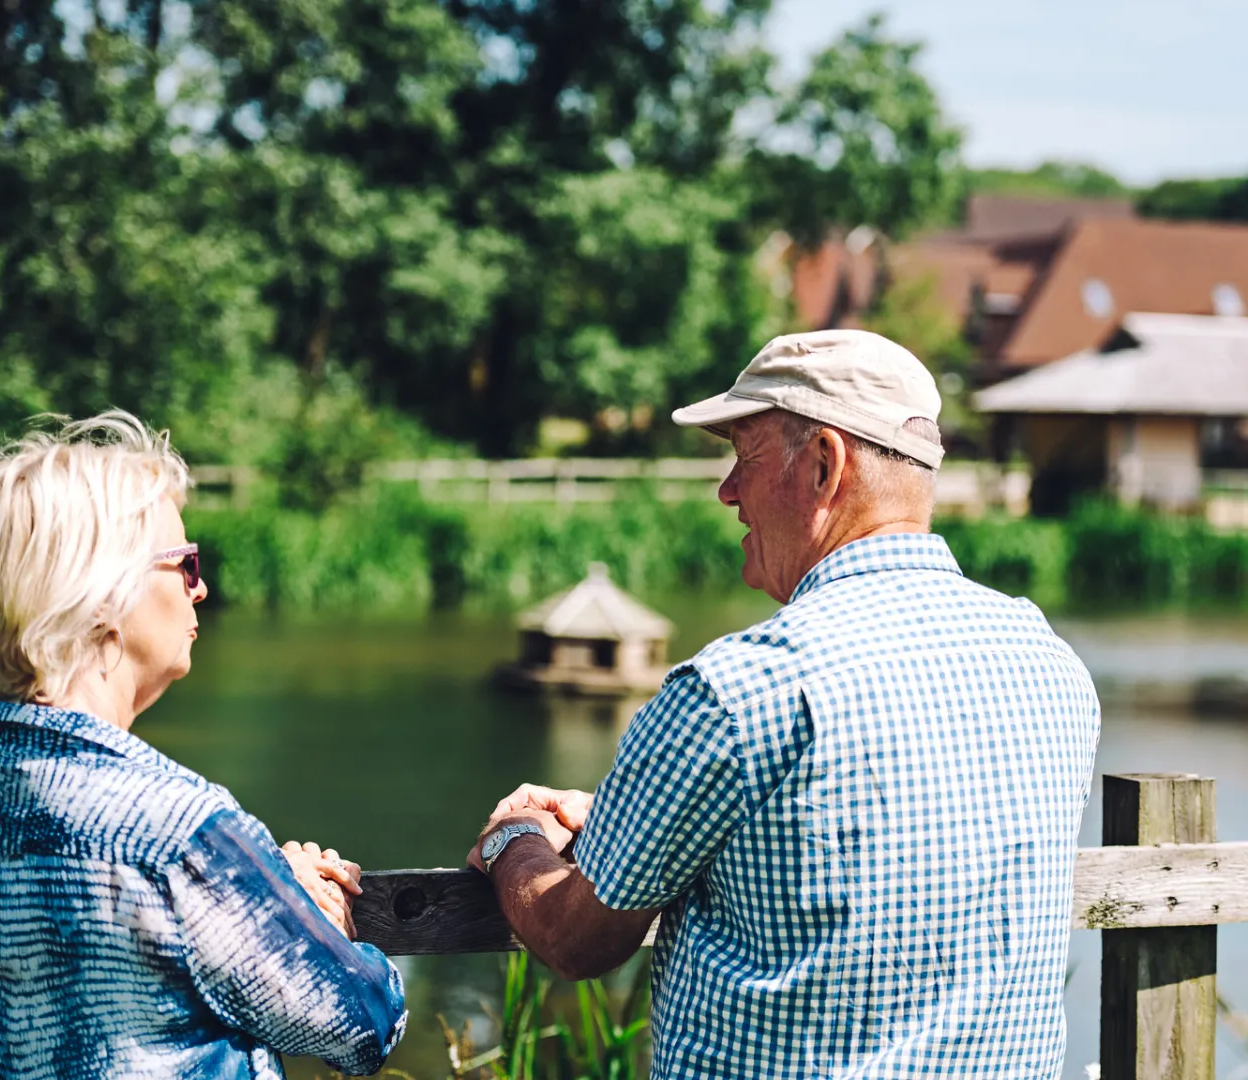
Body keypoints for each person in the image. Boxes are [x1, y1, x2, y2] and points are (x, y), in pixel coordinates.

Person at [469, 330, 1102, 1078]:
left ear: (826, 464)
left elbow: (577, 939)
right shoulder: (1050, 664)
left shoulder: (739, 690)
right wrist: (623, 819)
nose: (727, 491)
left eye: (746, 456)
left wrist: (517, 838)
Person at [0, 412, 406, 1079]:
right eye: (184, 564)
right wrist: (317, 918)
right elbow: (363, 1024)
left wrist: (262, 895)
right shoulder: (179, 831)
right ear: (104, 596)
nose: (200, 587)